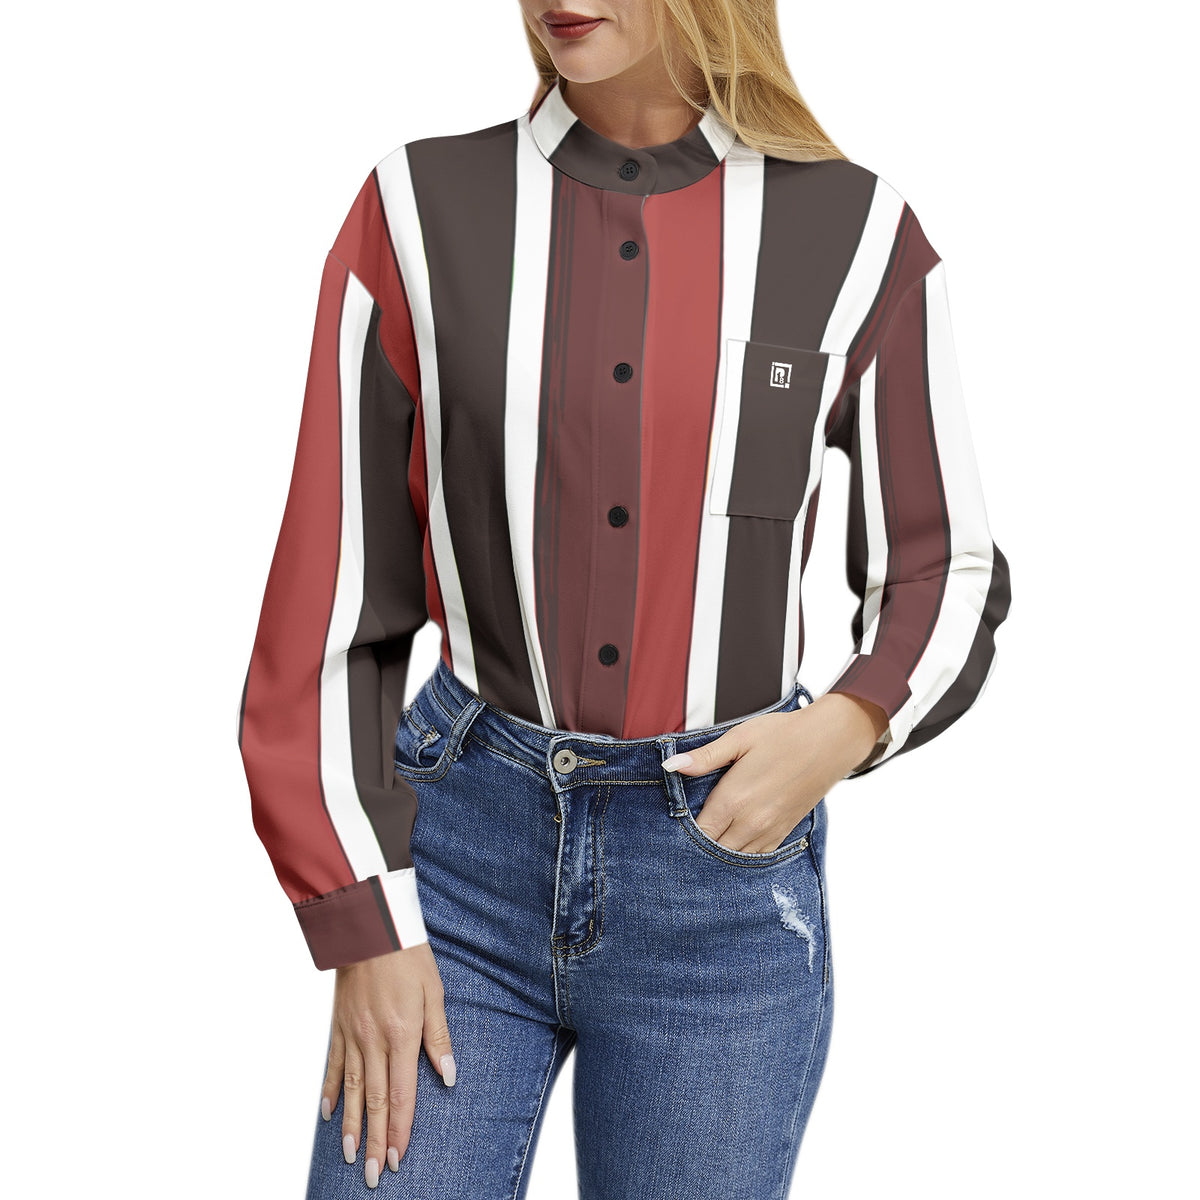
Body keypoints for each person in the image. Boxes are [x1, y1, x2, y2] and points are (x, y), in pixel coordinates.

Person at [236, 1, 1012, 1195]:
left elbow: (946, 564)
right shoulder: (417, 210)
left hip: (721, 888)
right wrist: (361, 921)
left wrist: (839, 731)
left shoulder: (854, 232)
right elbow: (333, 598)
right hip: (458, 868)